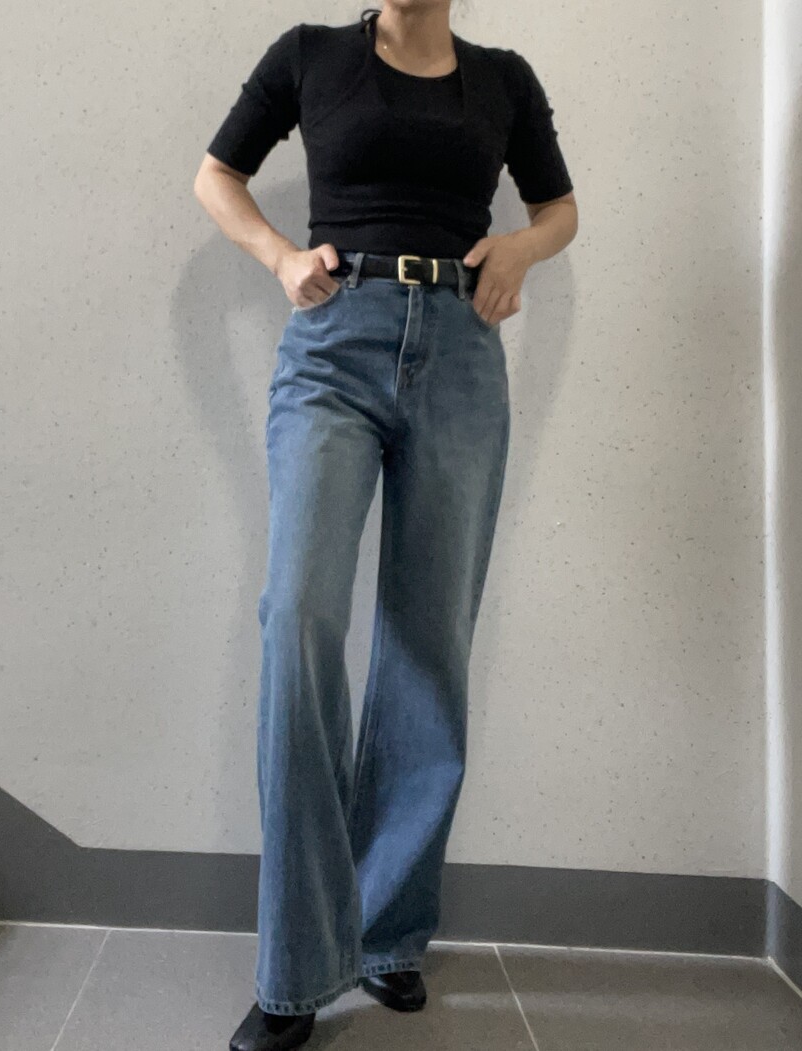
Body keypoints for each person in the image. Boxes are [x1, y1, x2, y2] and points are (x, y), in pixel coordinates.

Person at [193, 4, 578, 1048]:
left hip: (461, 353)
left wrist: (521, 248)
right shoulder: (310, 55)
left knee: (428, 640)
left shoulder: (502, 78)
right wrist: (279, 257)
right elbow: (216, 175)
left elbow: (559, 208)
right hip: (334, 344)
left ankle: (387, 930)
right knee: (299, 620)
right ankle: (294, 969)